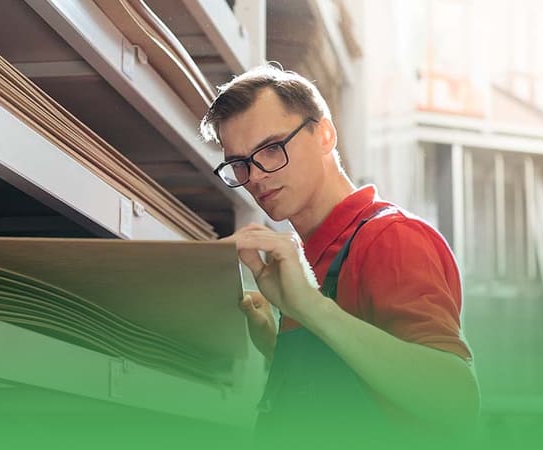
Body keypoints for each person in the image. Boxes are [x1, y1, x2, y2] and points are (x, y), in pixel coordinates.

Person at [199, 64, 479, 444]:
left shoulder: (390, 238)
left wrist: (312, 308)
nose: (257, 176)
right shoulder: (310, 259)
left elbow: (456, 399)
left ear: (325, 134)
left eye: (270, 149)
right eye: (240, 164)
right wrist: (278, 344)